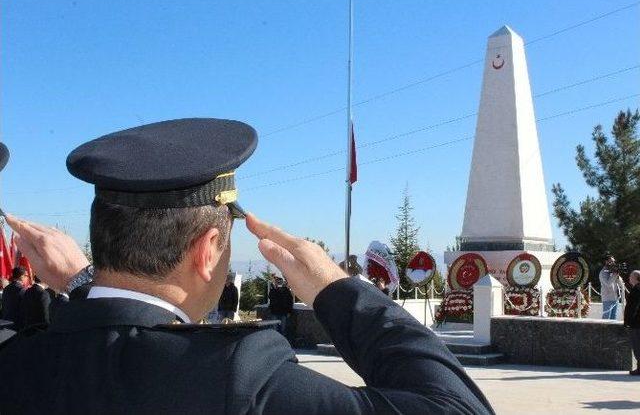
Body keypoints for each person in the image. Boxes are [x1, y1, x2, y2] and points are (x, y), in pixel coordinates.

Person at [0, 118, 493, 414]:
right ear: (209, 248)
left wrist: (88, 288)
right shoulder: (241, 376)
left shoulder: (18, 363)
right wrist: (337, 289)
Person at [624, 270, 640, 375]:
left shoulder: (637, 290)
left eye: (630, 276)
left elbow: (633, 307)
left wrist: (628, 321)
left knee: (637, 345)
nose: (629, 278)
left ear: (635, 278)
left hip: (636, 323)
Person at [599, 255, 625, 319]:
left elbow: (621, 283)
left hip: (615, 298)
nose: (613, 263)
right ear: (606, 262)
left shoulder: (613, 271)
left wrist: (617, 274)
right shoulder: (603, 272)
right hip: (607, 298)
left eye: (614, 261)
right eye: (611, 261)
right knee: (606, 316)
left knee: (614, 317)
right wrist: (615, 274)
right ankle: (603, 329)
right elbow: (608, 284)